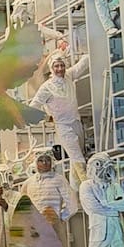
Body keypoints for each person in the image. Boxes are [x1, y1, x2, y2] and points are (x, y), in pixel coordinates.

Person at [19, 150, 82, 247]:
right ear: (36, 162)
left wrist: (59, 217)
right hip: (34, 229)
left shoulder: (59, 180)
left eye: (47, 160)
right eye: (41, 160)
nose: (45, 163)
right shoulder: (28, 183)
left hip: (53, 227)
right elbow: (22, 205)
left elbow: (73, 204)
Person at [29, 51, 91, 184]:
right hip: (63, 126)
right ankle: (88, 186)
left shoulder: (68, 76)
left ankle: (75, 189)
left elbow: (83, 64)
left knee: (77, 156)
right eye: (56, 66)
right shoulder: (46, 87)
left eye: (62, 65)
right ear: (52, 68)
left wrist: (71, 49)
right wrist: (46, 117)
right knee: (77, 157)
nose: (60, 69)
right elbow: (33, 107)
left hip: (76, 122)